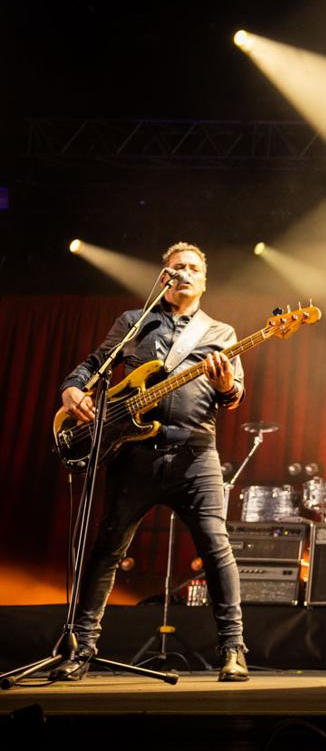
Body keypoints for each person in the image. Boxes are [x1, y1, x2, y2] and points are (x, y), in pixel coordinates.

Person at [54, 242, 249, 682]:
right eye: (176, 267)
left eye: (192, 268)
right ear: (163, 275)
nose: (184, 273)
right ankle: (81, 647)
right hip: (133, 453)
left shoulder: (221, 332)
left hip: (195, 456)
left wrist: (224, 385)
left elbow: (235, 396)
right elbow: (95, 365)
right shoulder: (134, 323)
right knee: (106, 550)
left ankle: (233, 650)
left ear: (204, 280)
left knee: (217, 551)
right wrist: (72, 389)